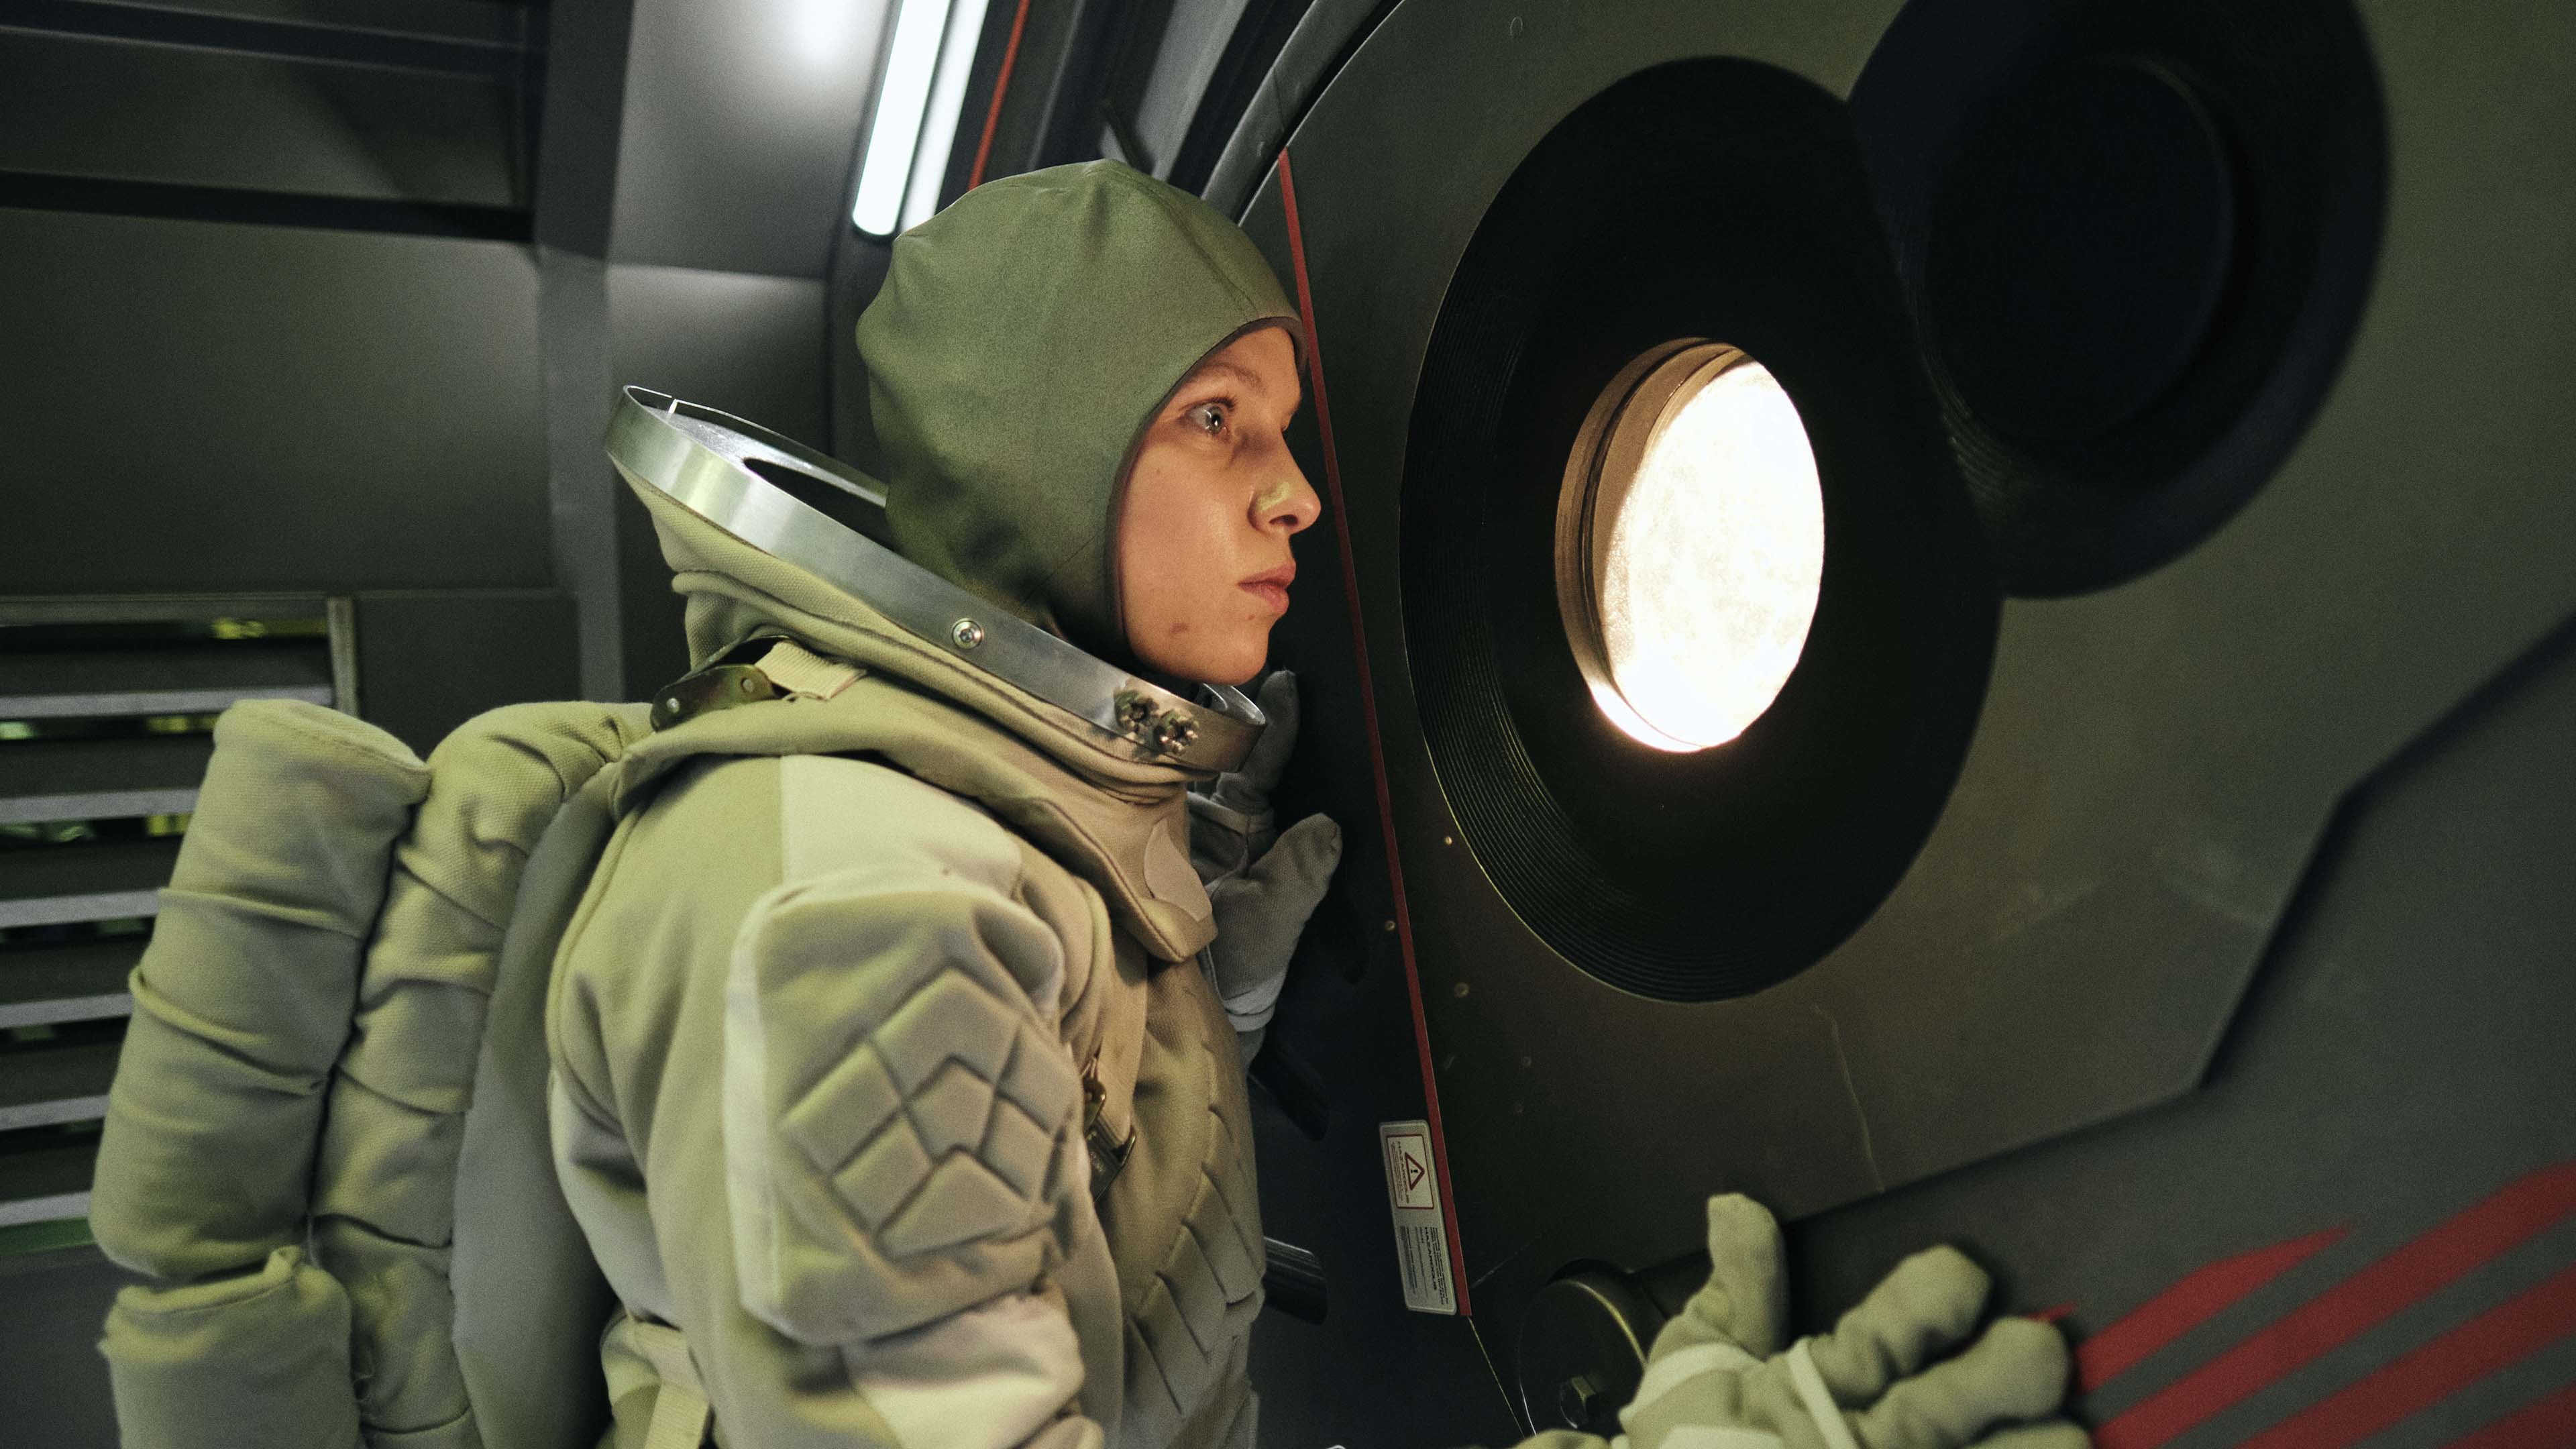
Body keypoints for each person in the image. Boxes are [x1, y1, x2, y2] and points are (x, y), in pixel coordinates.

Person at [547, 160, 1340, 1449]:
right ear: (1038, 461)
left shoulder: (978, 830)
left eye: (1284, 428)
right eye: (1216, 419)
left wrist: (1196, 1040)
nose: (1294, 491)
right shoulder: (858, 910)